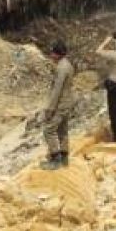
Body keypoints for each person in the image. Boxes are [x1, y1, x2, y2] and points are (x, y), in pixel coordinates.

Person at [41, 41, 76, 170]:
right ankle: (64, 157)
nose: (51, 55)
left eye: (52, 53)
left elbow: (57, 90)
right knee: (63, 130)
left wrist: (50, 108)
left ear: (57, 54)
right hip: (68, 102)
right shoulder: (68, 65)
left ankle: (55, 159)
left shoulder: (61, 68)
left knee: (49, 130)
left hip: (60, 104)